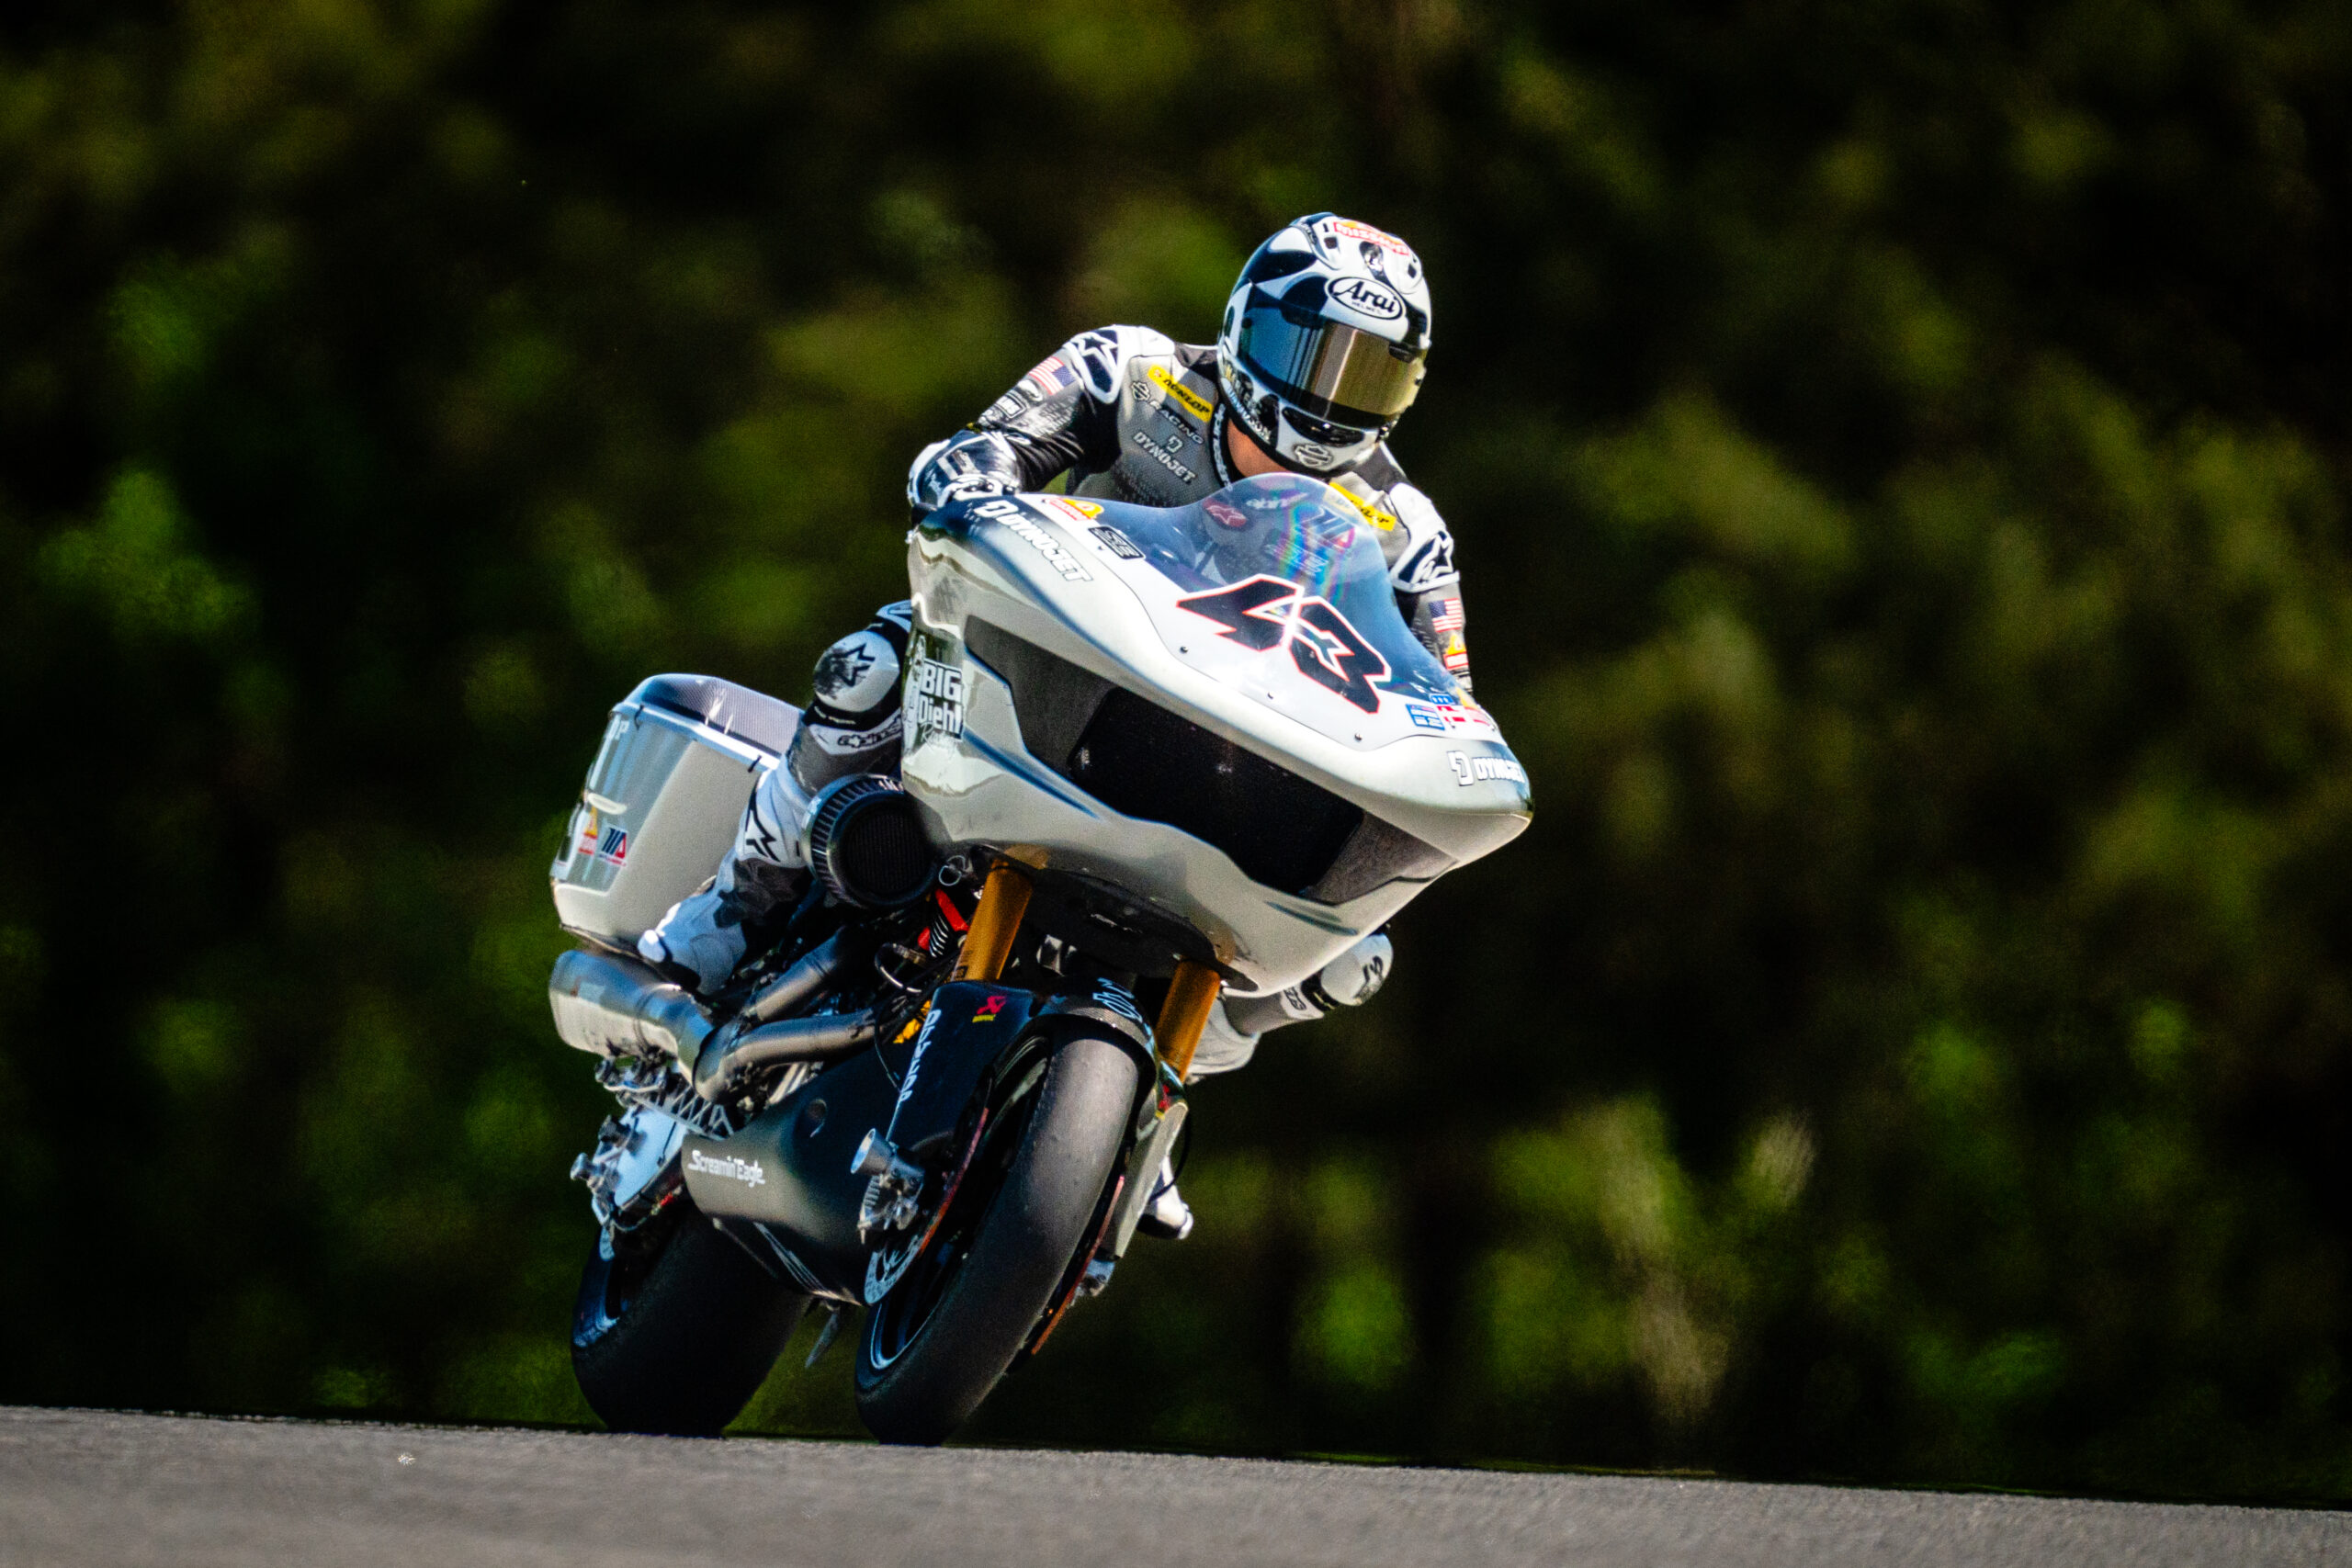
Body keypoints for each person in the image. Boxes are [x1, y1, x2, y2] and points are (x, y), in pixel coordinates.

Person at [639, 214, 1472, 1235]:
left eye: (1370, 372)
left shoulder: (1408, 532)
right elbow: (998, 441)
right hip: (1055, 683)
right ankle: (729, 914)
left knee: (1354, 955)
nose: (1332, 394)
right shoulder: (1138, 374)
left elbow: (1446, 696)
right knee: (873, 667)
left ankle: (1149, 1095)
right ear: (1246, 326)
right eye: (1311, 352)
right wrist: (971, 470)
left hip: (1240, 771)